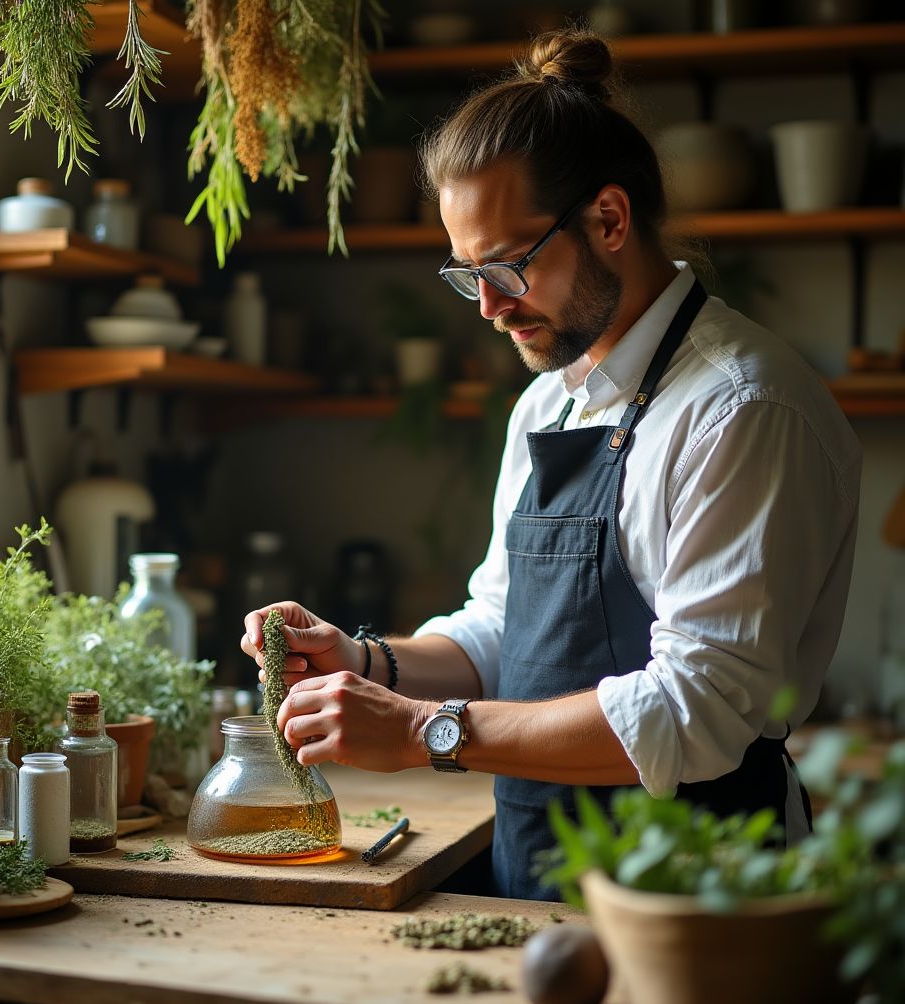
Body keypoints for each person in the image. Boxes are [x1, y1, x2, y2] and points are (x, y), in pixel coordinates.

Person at [241, 30, 862, 901]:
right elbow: (506, 630)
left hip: (699, 890)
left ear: (609, 220)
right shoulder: (552, 401)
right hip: (538, 872)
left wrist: (426, 731)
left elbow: (696, 709)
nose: (489, 307)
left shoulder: (742, 410)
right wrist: (366, 662)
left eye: (506, 266)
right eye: (467, 275)